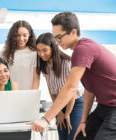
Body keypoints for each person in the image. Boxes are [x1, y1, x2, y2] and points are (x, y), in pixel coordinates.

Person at [29, 11, 116, 140]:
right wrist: (83, 121)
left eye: (59, 37)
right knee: (80, 137)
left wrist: (45, 119)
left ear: (73, 32)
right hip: (104, 106)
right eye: (55, 38)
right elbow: (89, 90)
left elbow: (70, 88)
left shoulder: (83, 49)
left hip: (114, 108)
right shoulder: (80, 52)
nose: (57, 42)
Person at [36, 32, 84, 140]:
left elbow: (72, 91)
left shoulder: (67, 63)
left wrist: (66, 114)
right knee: (62, 137)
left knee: (73, 136)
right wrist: (59, 112)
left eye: (45, 50)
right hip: (59, 103)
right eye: (38, 50)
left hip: (75, 102)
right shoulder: (45, 65)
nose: (41, 53)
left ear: (53, 48)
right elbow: (51, 89)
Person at [1, 20, 40, 90]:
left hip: (29, 94)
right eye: (18, 35)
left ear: (29, 34)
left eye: (25, 35)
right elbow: (2, 78)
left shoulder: (34, 53)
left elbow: (36, 79)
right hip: (10, 94)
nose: (21, 39)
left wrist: (31, 96)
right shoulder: (5, 53)